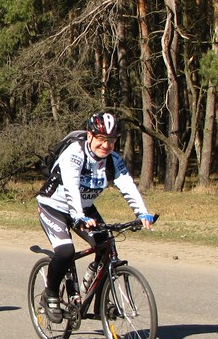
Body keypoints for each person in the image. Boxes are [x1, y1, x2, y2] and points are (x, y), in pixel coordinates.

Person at [36, 112, 155, 323]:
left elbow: (127, 185)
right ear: (90, 136)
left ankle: (100, 302)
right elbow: (71, 185)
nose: (106, 145)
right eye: (101, 139)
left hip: (85, 209)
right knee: (65, 251)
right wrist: (78, 217)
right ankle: (50, 294)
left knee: (106, 246)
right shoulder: (75, 153)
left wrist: (142, 212)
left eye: (111, 140)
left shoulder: (113, 160)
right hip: (54, 207)